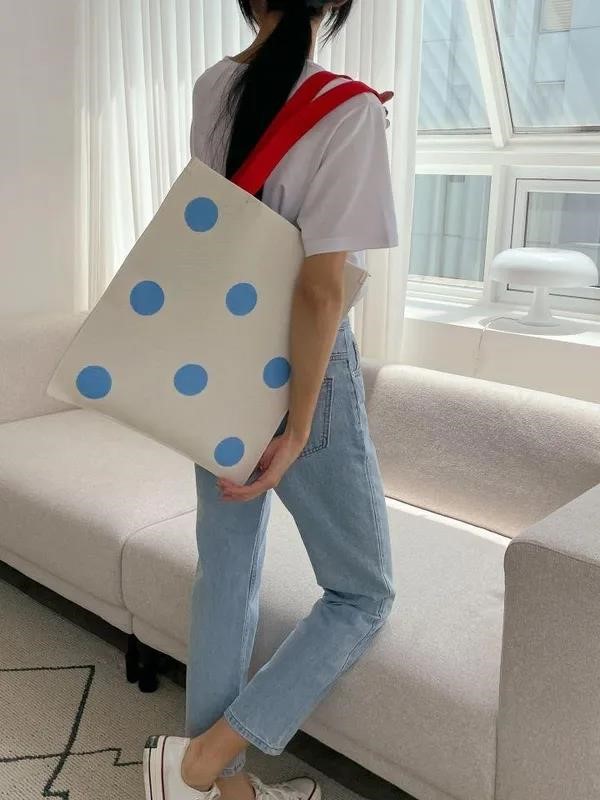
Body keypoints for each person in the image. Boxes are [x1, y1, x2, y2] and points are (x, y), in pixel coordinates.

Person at [143, 2, 398, 799]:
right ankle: (207, 760)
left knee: (226, 569)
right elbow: (319, 290)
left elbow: (222, 229)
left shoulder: (213, 85)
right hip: (304, 370)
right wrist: (297, 426)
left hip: (217, 356)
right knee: (363, 592)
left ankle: (220, 789)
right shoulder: (350, 110)